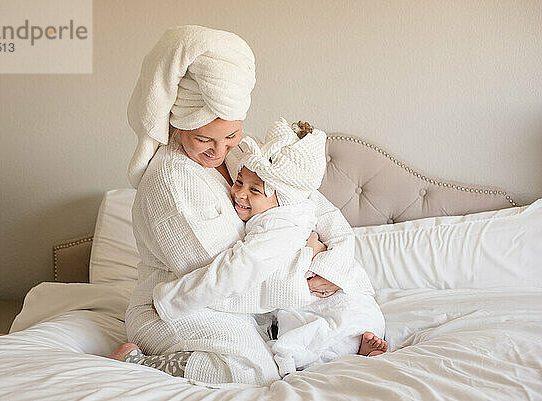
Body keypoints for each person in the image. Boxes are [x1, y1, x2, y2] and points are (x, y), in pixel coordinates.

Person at [109, 25, 336, 385]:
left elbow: (302, 198)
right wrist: (304, 271)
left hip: (229, 301)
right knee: (252, 372)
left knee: (311, 344)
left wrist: (329, 251)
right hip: (175, 305)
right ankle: (138, 362)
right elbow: (221, 275)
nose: (219, 151)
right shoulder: (172, 181)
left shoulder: (238, 158)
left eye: (231, 135)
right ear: (177, 123)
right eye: (204, 139)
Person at [227, 118, 387, 376]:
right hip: (295, 297)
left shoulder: (306, 200)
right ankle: (313, 356)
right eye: (238, 184)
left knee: (360, 313)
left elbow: (343, 236)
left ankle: (360, 347)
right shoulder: (251, 178)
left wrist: (326, 270)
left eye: (254, 189)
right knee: (299, 329)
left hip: (331, 284)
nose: (240, 194)